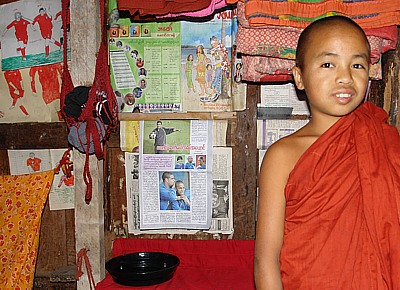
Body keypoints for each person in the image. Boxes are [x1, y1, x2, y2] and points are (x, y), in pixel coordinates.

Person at [254, 16, 400, 289]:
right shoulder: (283, 155)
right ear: (300, 77)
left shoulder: (385, 142)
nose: (345, 77)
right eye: (328, 64)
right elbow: (266, 260)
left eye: (357, 65)